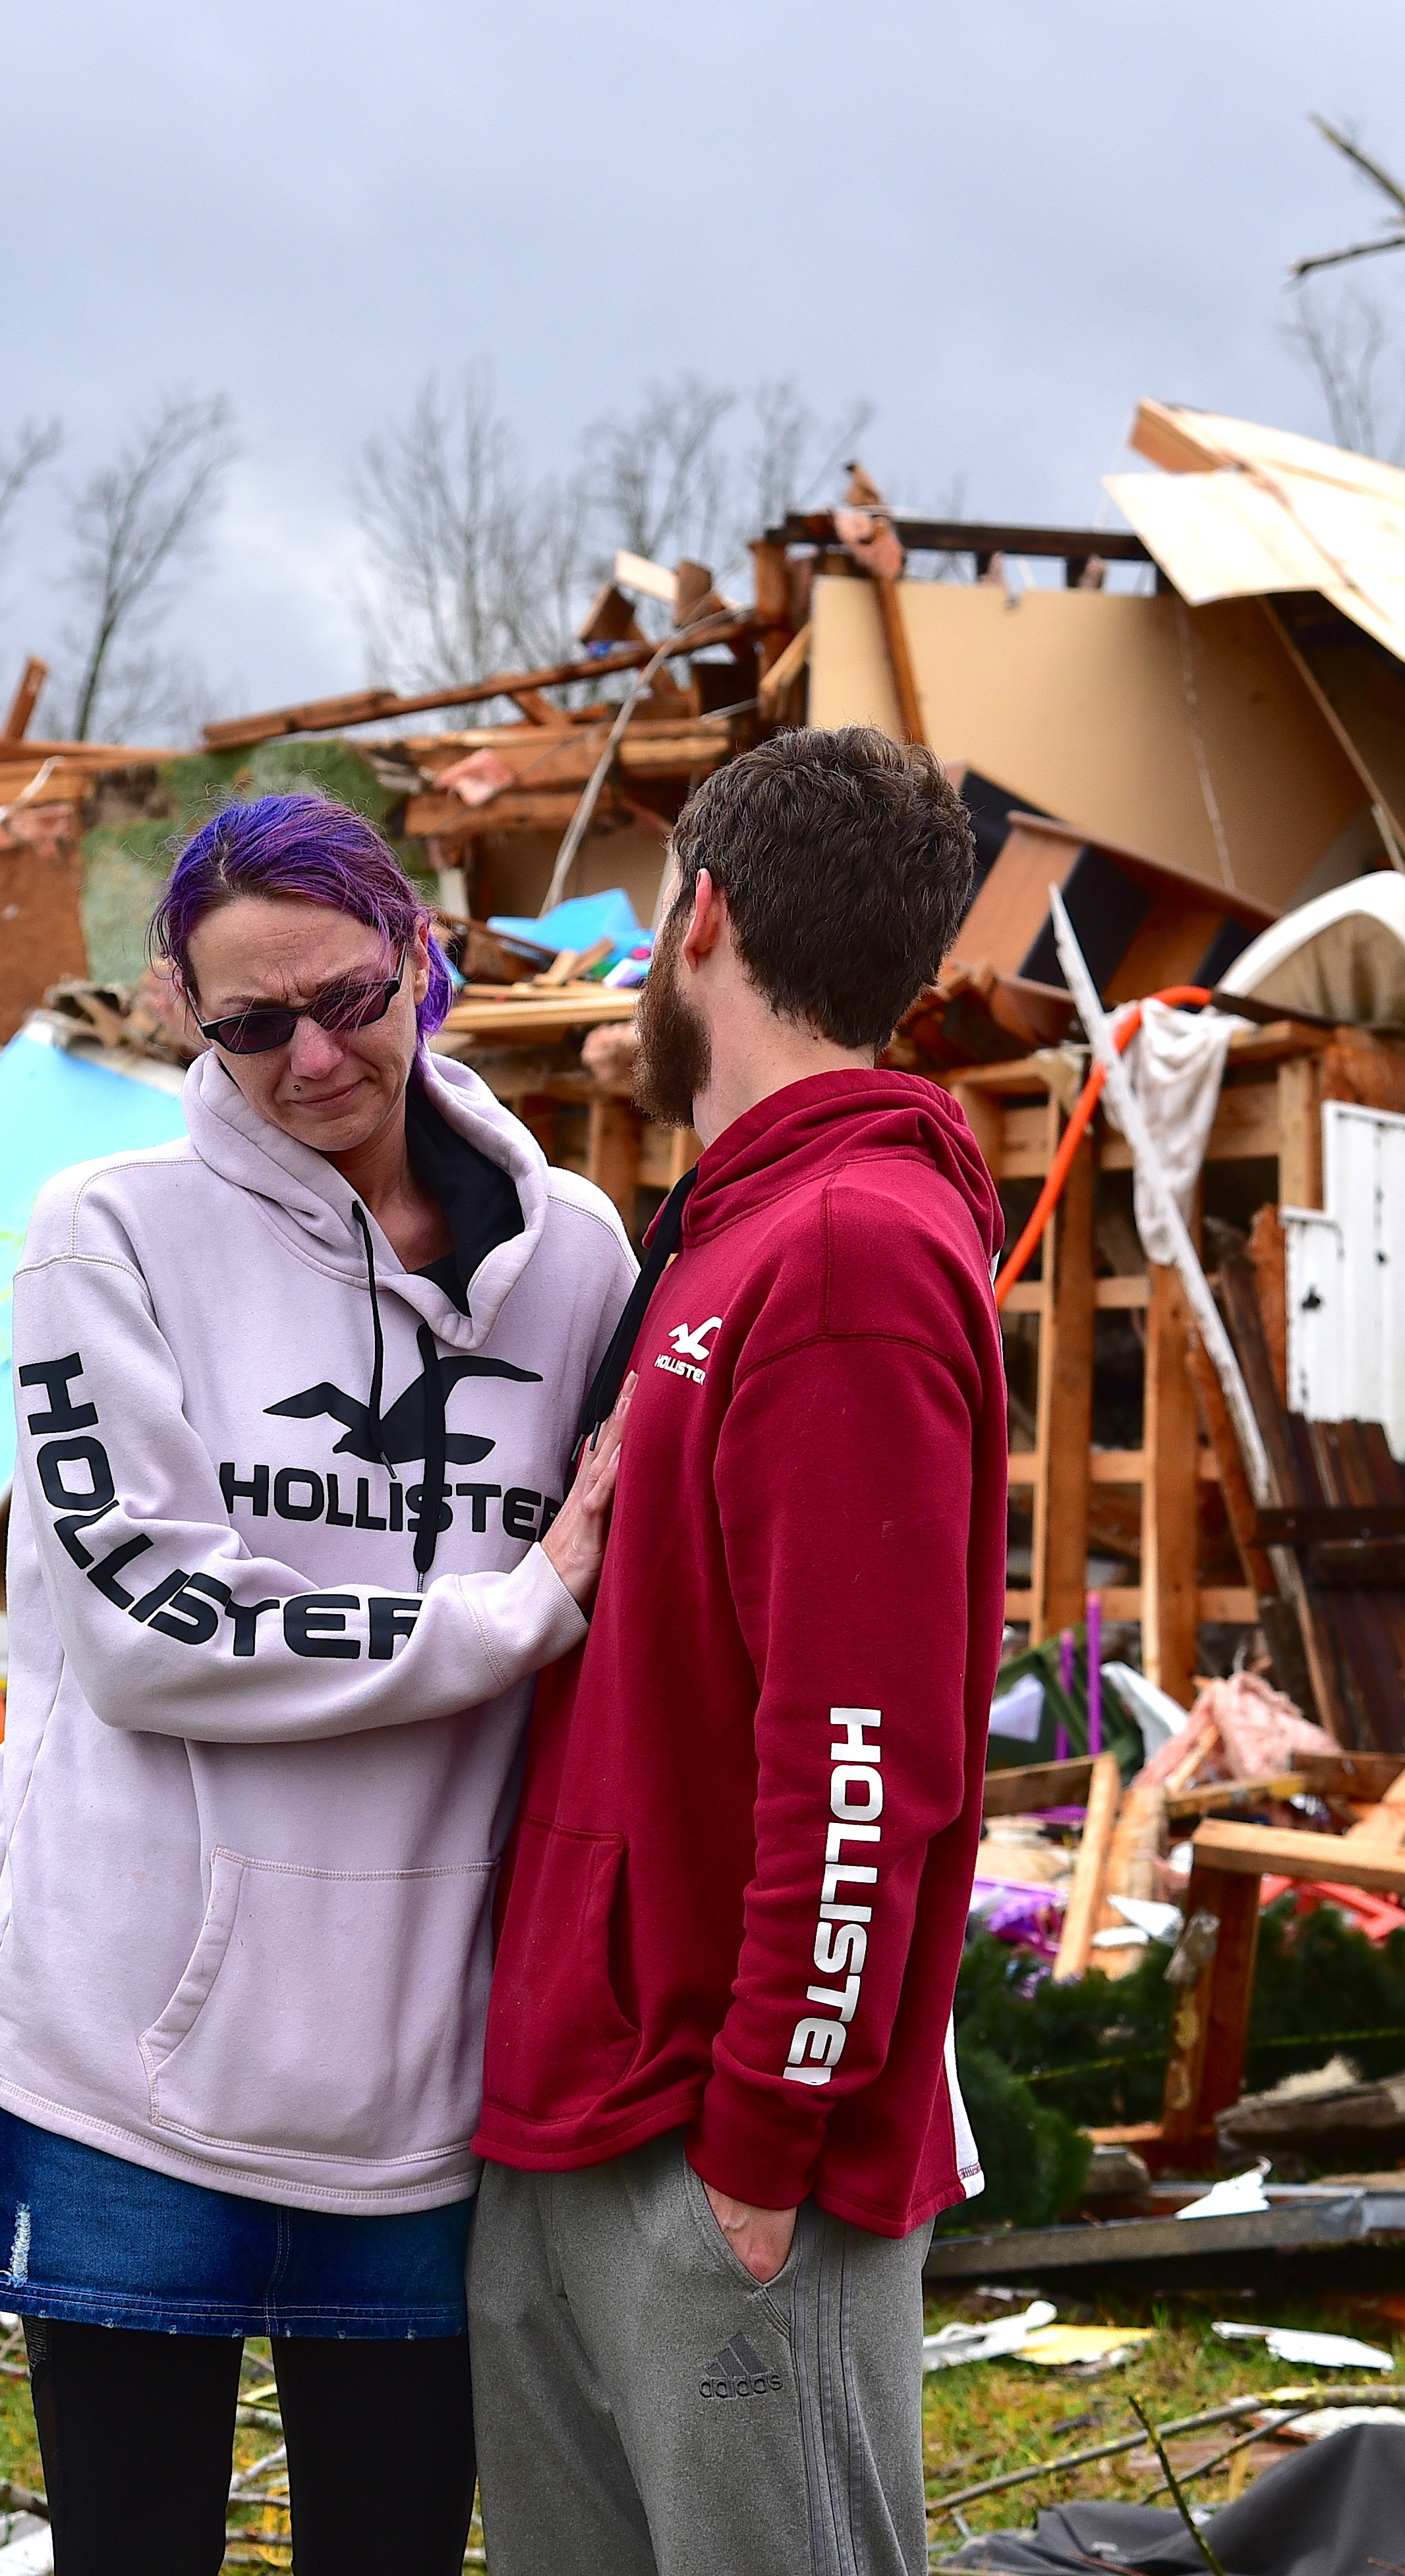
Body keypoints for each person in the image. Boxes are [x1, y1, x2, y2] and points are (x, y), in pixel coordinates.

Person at [0, 790, 641, 2574]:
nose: (315, 1057)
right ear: (183, 1012)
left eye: (349, 998)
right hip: (128, 2057)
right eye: (253, 1024)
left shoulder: (580, 1265)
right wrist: (513, 1609)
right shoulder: (108, 1234)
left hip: (422, 2079)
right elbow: (148, 1625)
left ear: (424, 962)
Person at [466, 727, 1002, 2576]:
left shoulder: (851, 1252)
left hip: (723, 2151)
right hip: (582, 2112)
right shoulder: (726, 1234)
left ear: (701, 919)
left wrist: (769, 2139)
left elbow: (873, 1756)